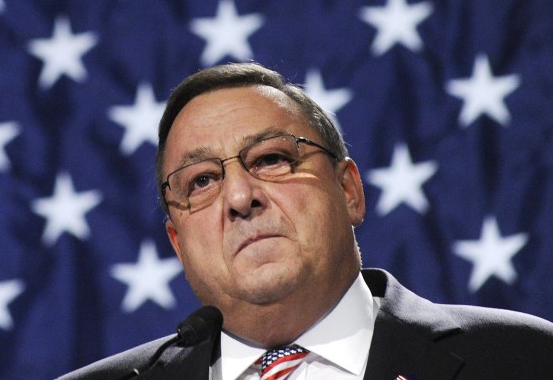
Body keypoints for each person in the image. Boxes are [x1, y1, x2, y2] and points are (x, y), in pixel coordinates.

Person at [59, 62, 553, 379]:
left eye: (271, 159)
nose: (239, 196)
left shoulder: (523, 359)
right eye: (201, 181)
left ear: (348, 190)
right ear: (177, 242)